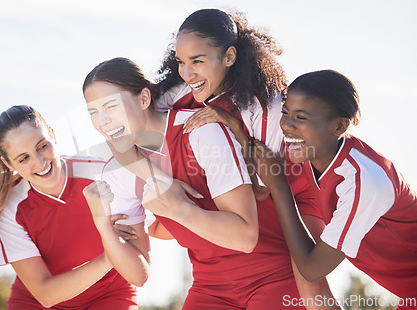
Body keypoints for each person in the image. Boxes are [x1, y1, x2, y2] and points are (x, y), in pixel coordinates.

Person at [83, 57, 336, 309]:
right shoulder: (118, 170)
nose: (102, 121)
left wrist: (178, 209)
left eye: (111, 106)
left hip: (271, 272)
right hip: (209, 286)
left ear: (144, 99)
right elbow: (138, 275)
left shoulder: (201, 131)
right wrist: (102, 224)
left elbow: (245, 237)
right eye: (93, 112)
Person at [252, 70, 417, 307]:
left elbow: (312, 268)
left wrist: (279, 187)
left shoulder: (364, 182)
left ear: (340, 126)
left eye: (301, 117)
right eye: (285, 112)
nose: (286, 125)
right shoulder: (314, 153)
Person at [0, 105, 150, 309]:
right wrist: (111, 256)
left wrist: (105, 228)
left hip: (110, 295)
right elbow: (45, 294)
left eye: (42, 146)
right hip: (37, 303)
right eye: (23, 158)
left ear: (52, 134)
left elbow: (139, 276)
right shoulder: (9, 206)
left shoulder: (105, 172)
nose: (40, 162)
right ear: (8, 164)